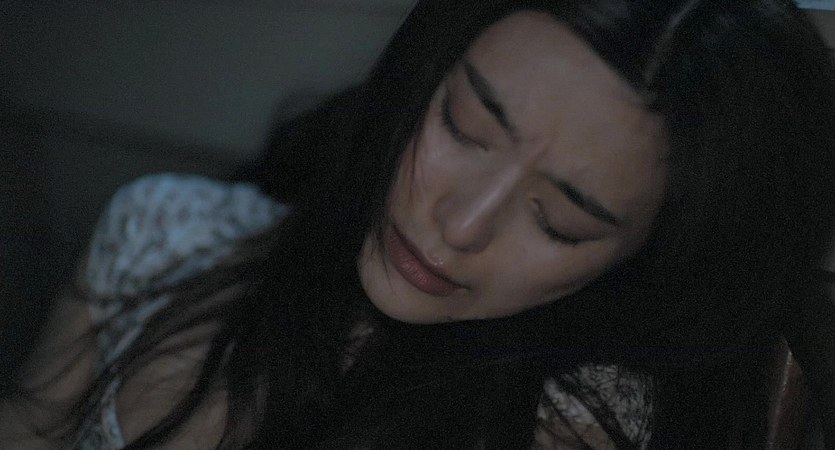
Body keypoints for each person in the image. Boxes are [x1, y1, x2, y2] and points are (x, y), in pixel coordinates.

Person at [2, 0, 834, 448]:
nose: (459, 225)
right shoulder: (164, 234)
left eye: (558, 223)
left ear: (640, 259)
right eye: (465, 128)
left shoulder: (581, 421)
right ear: (420, 75)